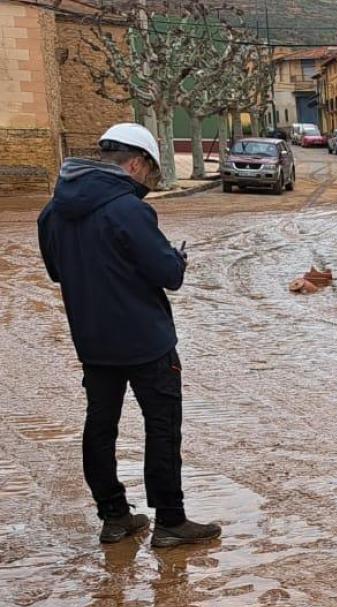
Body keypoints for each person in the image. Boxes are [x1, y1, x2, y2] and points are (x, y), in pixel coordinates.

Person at [36, 123, 222, 548]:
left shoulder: (52, 212)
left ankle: (114, 517)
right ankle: (170, 522)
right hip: (146, 340)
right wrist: (176, 259)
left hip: (93, 340)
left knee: (100, 425)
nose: (147, 184)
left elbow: (55, 271)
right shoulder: (129, 210)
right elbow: (168, 275)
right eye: (150, 175)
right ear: (136, 163)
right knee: (161, 426)